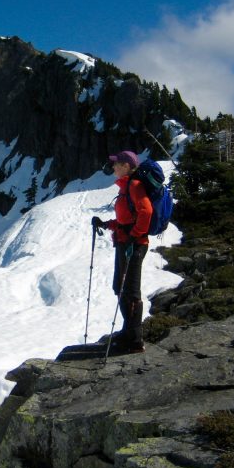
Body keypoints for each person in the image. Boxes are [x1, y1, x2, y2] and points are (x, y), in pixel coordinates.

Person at [92, 151, 152, 353]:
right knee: (120, 287)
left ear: (126, 166)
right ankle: (128, 331)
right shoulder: (126, 188)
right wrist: (106, 224)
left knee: (130, 291)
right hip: (125, 243)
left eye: (116, 164)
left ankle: (135, 339)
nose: (113, 167)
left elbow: (147, 212)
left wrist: (135, 235)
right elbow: (126, 220)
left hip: (134, 245)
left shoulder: (134, 186)